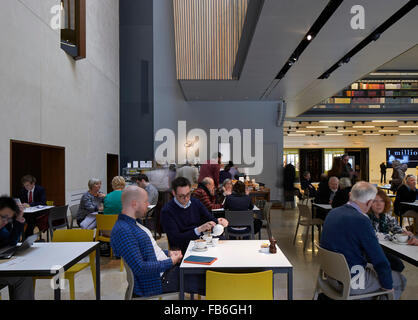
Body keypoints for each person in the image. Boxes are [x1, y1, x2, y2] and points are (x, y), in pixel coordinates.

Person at [110, 186, 204, 297]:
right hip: (158, 280)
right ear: (134, 203)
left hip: (164, 272)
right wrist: (171, 262)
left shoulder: (133, 223)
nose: (148, 204)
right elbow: (140, 268)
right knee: (208, 278)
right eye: (145, 201)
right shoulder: (123, 230)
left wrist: (168, 253)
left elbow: (148, 252)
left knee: (202, 268)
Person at [320, 182, 406, 300]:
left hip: (330, 277)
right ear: (369, 202)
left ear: (350, 195)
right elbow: (379, 260)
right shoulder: (361, 220)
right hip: (352, 282)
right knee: (399, 280)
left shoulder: (333, 213)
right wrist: (387, 285)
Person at [160, 177, 229, 254]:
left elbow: (209, 218)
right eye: (181, 196)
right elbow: (175, 239)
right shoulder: (167, 211)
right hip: (183, 250)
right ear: (173, 193)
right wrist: (199, 230)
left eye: (188, 194)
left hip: (200, 244)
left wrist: (219, 221)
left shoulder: (195, 202)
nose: (186, 198)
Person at [0, 196, 34, 300]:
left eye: (9, 219)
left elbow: (11, 242)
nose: (6, 222)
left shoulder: (2, 229)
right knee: (22, 277)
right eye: (4, 217)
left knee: (22, 274)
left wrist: (19, 219)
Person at [368, 189, 405, 272]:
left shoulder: (386, 216)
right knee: (397, 265)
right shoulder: (365, 217)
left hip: (384, 248)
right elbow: (374, 235)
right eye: (375, 201)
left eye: (382, 201)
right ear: (369, 203)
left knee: (398, 265)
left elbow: (397, 229)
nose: (379, 204)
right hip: (368, 250)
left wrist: (406, 234)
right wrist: (393, 237)